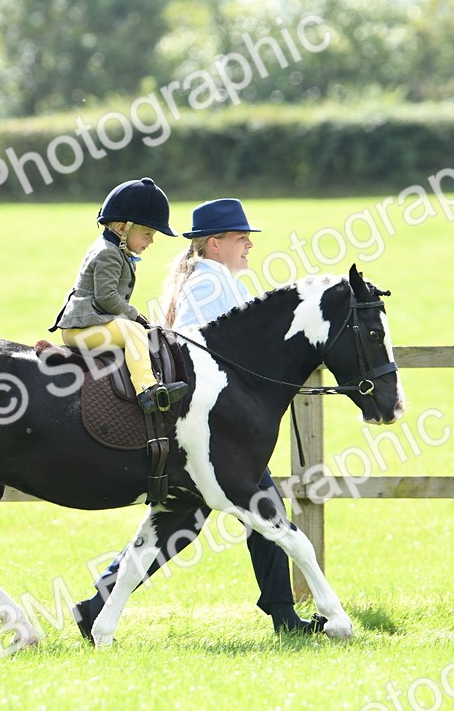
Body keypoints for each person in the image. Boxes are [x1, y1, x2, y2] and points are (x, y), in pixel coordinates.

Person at [73, 198, 325, 638]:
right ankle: (285, 617)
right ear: (214, 244)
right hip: (213, 431)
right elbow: (192, 346)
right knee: (259, 512)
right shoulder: (206, 284)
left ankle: (95, 607)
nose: (249, 245)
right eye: (240, 238)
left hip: (222, 428)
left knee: (182, 525)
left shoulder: (218, 280)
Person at [50, 177, 189, 414]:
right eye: (147, 234)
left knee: (137, 331)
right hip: (81, 329)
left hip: (93, 324)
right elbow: (106, 298)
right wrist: (135, 315)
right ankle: (147, 390)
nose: (151, 241)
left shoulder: (116, 250)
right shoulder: (108, 254)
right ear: (123, 229)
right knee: (132, 331)